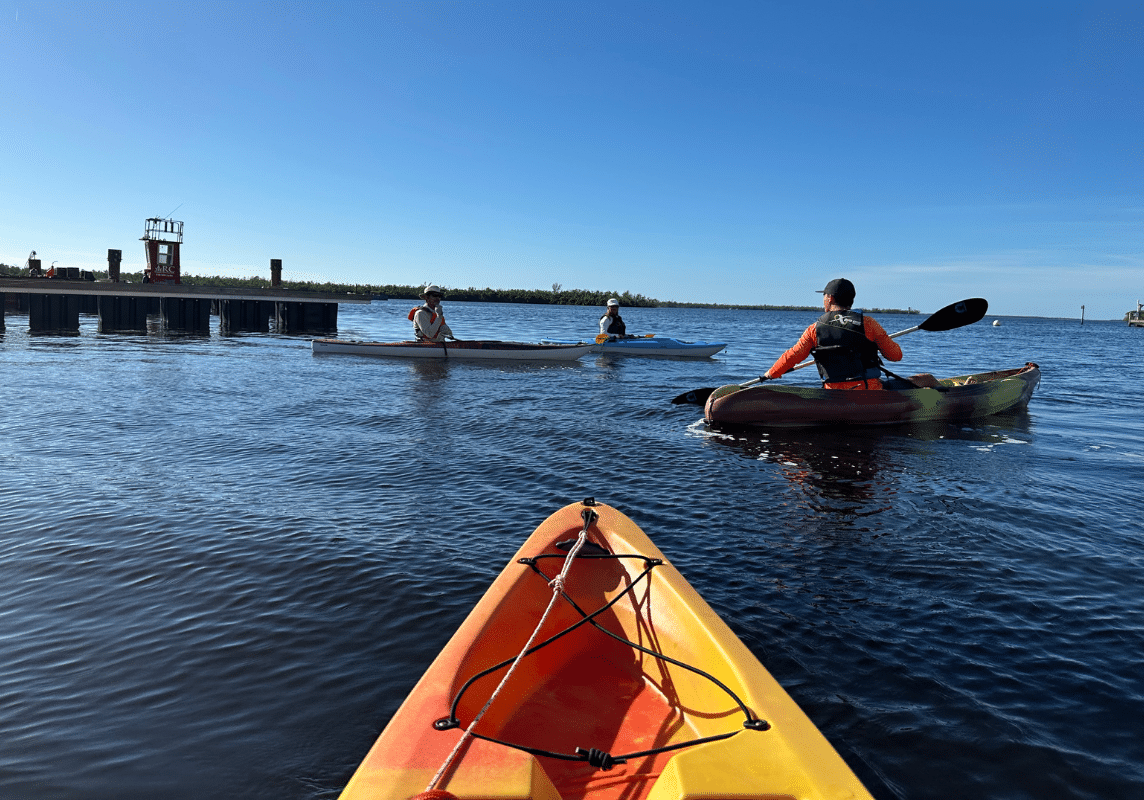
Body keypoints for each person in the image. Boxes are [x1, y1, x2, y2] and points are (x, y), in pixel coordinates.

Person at [763, 278, 902, 390]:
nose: (823, 300)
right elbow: (896, 356)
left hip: (833, 394)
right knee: (918, 379)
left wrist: (772, 373)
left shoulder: (814, 329)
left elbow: (793, 355)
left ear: (830, 298)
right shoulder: (869, 324)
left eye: (824, 296)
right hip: (868, 392)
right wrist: (877, 344)